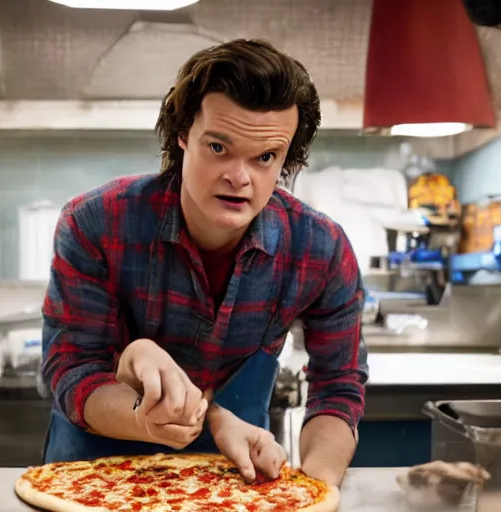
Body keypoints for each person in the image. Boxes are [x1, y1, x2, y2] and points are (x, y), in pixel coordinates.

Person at [40, 38, 369, 489]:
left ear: (287, 158)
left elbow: (338, 385)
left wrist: (314, 490)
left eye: (266, 157)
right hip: (95, 473)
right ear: (182, 135)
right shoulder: (96, 222)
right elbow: (71, 368)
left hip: (234, 476)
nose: (239, 177)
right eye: (218, 148)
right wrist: (147, 419)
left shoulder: (320, 249)